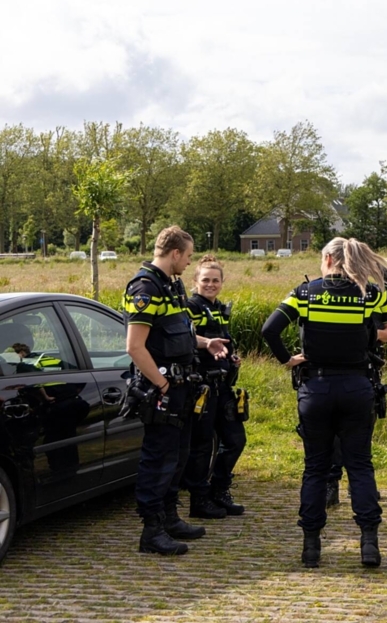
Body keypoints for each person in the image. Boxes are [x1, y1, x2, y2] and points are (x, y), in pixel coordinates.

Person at [261, 237, 387, 569]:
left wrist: (288, 359)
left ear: (326, 259)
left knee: (315, 469)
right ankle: (369, 543)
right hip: (357, 387)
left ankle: (311, 547)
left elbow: (269, 330)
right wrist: (362, 336)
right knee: (360, 466)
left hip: (316, 389)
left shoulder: (304, 293)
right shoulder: (371, 294)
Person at [124, 226, 229, 556]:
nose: (189, 262)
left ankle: (170, 518)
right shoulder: (145, 287)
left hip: (182, 388)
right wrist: (162, 384)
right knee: (158, 459)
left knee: (177, 456)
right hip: (162, 390)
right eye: (188, 256)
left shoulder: (172, 285)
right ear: (175, 253)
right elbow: (135, 346)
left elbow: (176, 334)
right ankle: (151, 530)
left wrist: (205, 342)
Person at [326, 256, 387, 508]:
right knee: (333, 432)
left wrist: (369, 262)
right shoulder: (326, 291)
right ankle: (331, 483)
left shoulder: (373, 295)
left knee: (362, 430)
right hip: (332, 369)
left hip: (365, 367)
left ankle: (358, 483)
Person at [183, 255, 247, 520]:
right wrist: (207, 343)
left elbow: (224, 342)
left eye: (215, 280)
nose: (210, 284)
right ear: (195, 281)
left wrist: (232, 358)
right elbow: (184, 335)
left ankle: (219, 490)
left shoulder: (219, 308)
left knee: (235, 440)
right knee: (201, 446)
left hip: (222, 387)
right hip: (201, 389)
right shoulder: (189, 307)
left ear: (222, 282)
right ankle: (199, 500)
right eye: (205, 280)